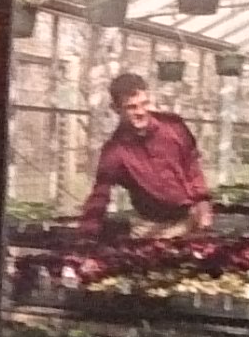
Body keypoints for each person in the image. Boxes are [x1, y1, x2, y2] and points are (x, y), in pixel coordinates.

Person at [77, 73, 213, 235]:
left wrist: (203, 204)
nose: (140, 112)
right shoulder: (115, 151)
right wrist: (88, 229)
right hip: (150, 226)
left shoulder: (173, 126)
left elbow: (192, 166)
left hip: (189, 218)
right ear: (116, 108)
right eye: (131, 107)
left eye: (144, 104)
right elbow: (101, 192)